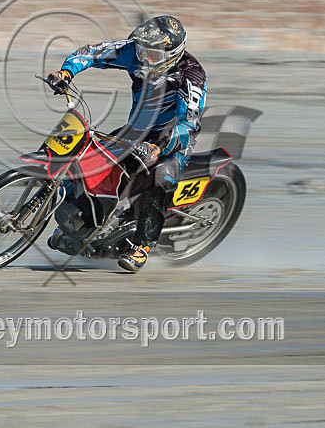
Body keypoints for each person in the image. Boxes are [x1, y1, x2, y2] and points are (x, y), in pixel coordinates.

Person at [46, 16, 207, 273]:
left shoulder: (192, 76)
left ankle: (142, 245)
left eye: (152, 54)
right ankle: (84, 218)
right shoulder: (135, 50)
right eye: (142, 51)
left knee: (158, 178)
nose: (144, 58)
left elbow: (189, 124)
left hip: (172, 141)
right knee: (89, 157)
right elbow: (91, 53)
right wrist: (66, 72)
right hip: (136, 131)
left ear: (172, 54)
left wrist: (159, 148)